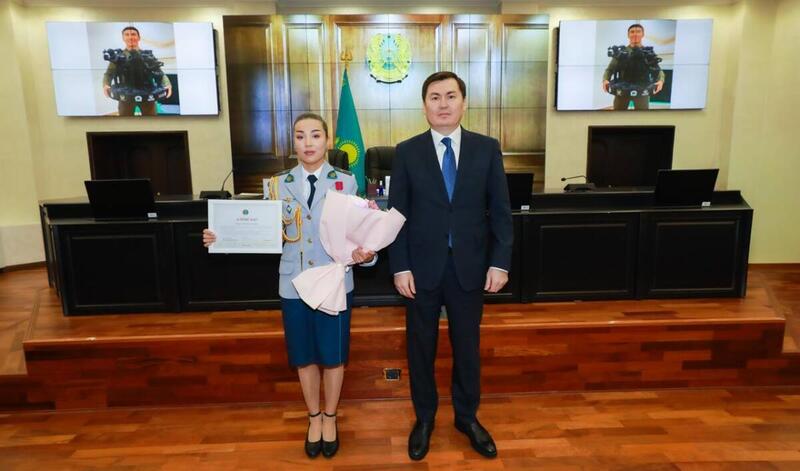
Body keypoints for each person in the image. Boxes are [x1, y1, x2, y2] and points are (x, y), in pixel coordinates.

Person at [202, 113, 376, 459]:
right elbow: (258, 232)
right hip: (294, 284)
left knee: (334, 357)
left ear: (328, 141)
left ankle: (330, 417)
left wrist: (366, 255)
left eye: (315, 135)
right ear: (293, 142)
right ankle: (314, 417)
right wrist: (222, 237)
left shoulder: (345, 182)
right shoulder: (277, 184)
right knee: (303, 356)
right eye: (300, 136)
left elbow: (361, 235)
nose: (308, 142)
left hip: (333, 282)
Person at [388, 71, 514, 460]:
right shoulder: (406, 151)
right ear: (424, 105)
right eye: (434, 97)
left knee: (467, 347)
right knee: (420, 348)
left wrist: (500, 262)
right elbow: (396, 215)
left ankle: (466, 417)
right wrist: (400, 266)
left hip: (470, 267)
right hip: (420, 270)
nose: (443, 104)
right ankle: (424, 418)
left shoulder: (486, 148)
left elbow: (501, 212)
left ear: (464, 102)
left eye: (450, 96)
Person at [102, 26, 172, 116]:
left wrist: (167, 84)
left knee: (150, 119)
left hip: (147, 94)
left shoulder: (147, 55)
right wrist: (105, 84)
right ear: (123, 38)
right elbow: (109, 73)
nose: (130, 37)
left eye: (133, 34)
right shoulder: (118, 57)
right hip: (126, 95)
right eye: (127, 35)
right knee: (125, 119)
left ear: (138, 37)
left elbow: (158, 72)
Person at [602, 23, 665, 110]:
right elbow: (610, 69)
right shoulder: (621, 52)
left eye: (638, 31)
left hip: (642, 90)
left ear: (643, 34)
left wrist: (661, 81)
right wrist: (605, 79)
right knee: (618, 115)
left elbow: (657, 70)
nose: (635, 34)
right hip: (622, 89)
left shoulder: (647, 52)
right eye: (632, 32)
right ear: (628, 35)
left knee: (641, 116)